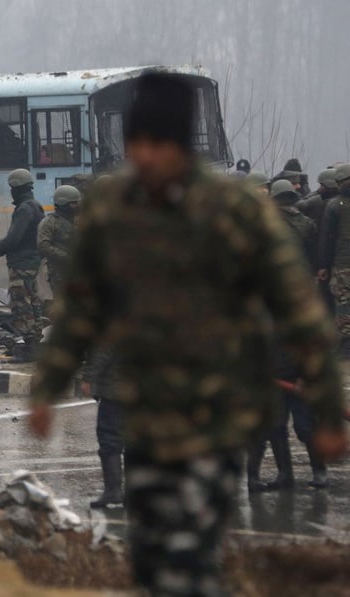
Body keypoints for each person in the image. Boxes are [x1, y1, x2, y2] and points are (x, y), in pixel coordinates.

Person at [29, 72, 346, 596]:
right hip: (148, 408)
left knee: (198, 541)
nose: (147, 158)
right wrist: (49, 386)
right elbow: (83, 305)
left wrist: (330, 411)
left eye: (159, 144)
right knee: (153, 545)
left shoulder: (235, 209)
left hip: (220, 410)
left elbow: (299, 312)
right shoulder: (113, 208)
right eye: (137, 145)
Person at [247, 180, 320, 492]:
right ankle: (285, 475)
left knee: (305, 426)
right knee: (274, 427)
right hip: (272, 375)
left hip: (298, 373)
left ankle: (320, 473)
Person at [0, 168, 45, 361]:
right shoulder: (36, 206)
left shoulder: (24, 209)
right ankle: (35, 344)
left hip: (21, 264)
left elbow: (13, 239)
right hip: (32, 262)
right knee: (33, 303)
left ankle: (30, 348)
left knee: (21, 305)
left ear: (16, 188)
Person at [82, 349, 123, 508]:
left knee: (109, 439)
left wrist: (88, 377)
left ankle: (113, 491)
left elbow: (103, 351)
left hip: (115, 389)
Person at [318, 163, 350, 355]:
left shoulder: (333, 206)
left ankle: (346, 347)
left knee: (344, 305)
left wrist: (323, 266)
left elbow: (326, 239)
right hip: (342, 264)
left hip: (342, 266)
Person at [37, 184, 81, 310]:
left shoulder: (77, 221)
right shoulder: (50, 222)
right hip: (60, 273)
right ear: (63, 203)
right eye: (74, 203)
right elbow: (43, 246)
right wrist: (67, 257)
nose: (77, 206)